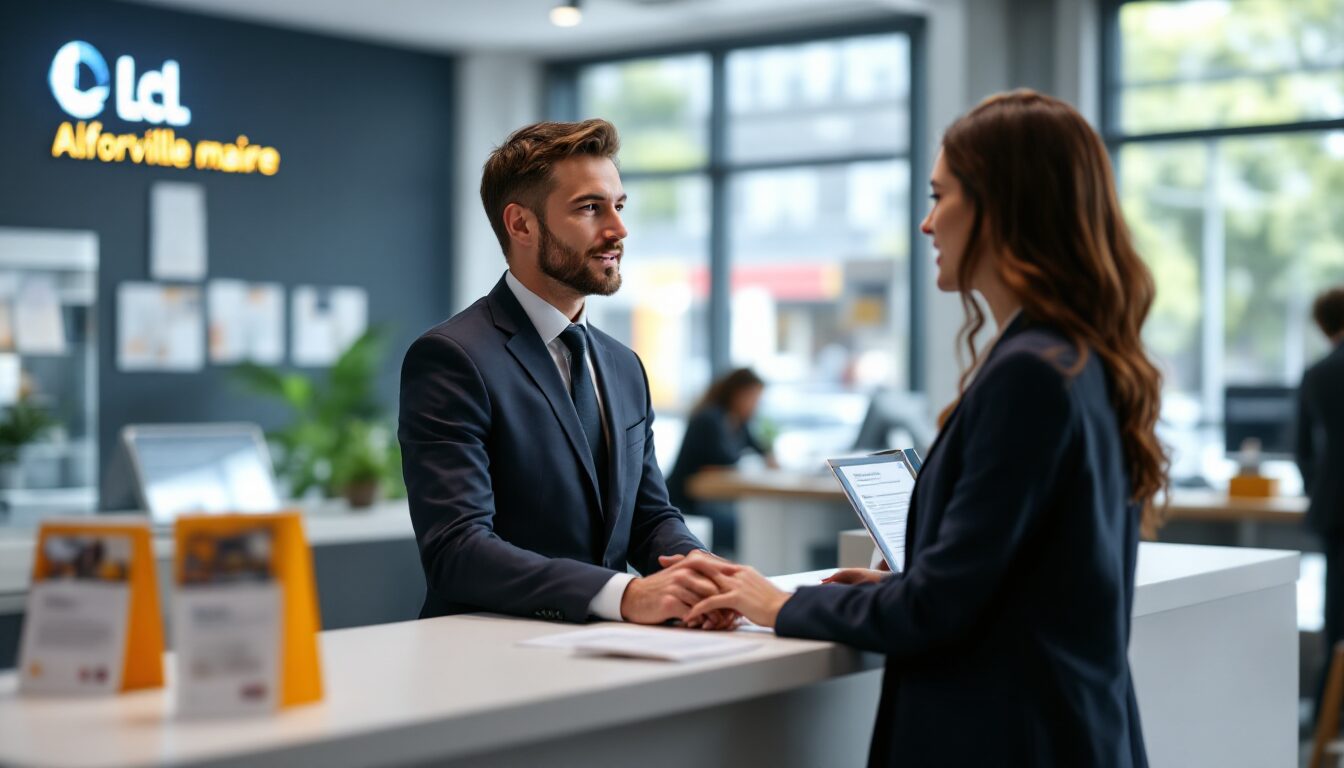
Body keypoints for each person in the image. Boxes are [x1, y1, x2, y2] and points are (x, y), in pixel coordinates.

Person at [677, 90, 1167, 767]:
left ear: (1004, 205)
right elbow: (1025, 583)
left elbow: (935, 613)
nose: (926, 225)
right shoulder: (1082, 357)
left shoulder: (1030, 373)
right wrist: (889, 589)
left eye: (941, 197)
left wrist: (778, 604)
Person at [398, 119, 731, 628]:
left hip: (608, 653)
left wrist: (699, 572)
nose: (618, 230)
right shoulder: (451, 357)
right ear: (522, 225)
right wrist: (623, 594)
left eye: (618, 206)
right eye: (590, 208)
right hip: (483, 657)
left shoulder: (623, 364)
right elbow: (457, 549)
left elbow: (650, 517)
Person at [665, 367, 774, 554]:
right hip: (685, 503)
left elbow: (760, 448)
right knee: (746, 530)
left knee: (754, 526)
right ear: (738, 394)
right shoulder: (709, 418)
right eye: (754, 398)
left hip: (711, 501)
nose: (756, 404)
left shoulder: (738, 420)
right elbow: (716, 463)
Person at [1298, 285, 1344, 721]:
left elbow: (1301, 449)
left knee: (1337, 614)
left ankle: (1329, 712)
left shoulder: (1318, 372)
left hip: (1337, 509)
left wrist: (1319, 487)